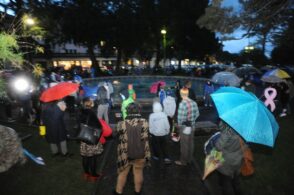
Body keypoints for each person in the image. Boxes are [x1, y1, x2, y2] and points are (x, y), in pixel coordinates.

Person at [114, 103, 151, 195]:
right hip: (141, 152)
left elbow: (116, 135)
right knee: (138, 172)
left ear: (127, 111)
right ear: (139, 110)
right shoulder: (145, 122)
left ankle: (118, 191)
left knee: (123, 173)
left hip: (125, 153)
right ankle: (137, 191)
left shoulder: (121, 123)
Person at [208, 120, 245, 195]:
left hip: (226, 162)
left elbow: (218, 147)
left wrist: (216, 140)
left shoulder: (228, 133)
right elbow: (246, 147)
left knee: (226, 183)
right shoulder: (244, 132)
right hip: (238, 160)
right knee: (236, 181)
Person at [79, 98, 103, 182]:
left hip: (84, 138)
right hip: (91, 138)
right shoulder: (91, 113)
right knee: (93, 157)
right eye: (92, 101)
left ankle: (86, 173)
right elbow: (99, 126)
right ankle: (93, 175)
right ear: (89, 103)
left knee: (85, 157)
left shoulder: (81, 112)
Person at [175, 88, 199, 166]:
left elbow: (180, 119)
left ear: (181, 94)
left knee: (184, 145)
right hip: (192, 126)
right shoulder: (194, 102)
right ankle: (190, 159)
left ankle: (183, 161)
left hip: (184, 127)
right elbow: (197, 114)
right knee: (191, 143)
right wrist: (192, 120)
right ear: (187, 93)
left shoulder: (182, 104)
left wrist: (178, 126)